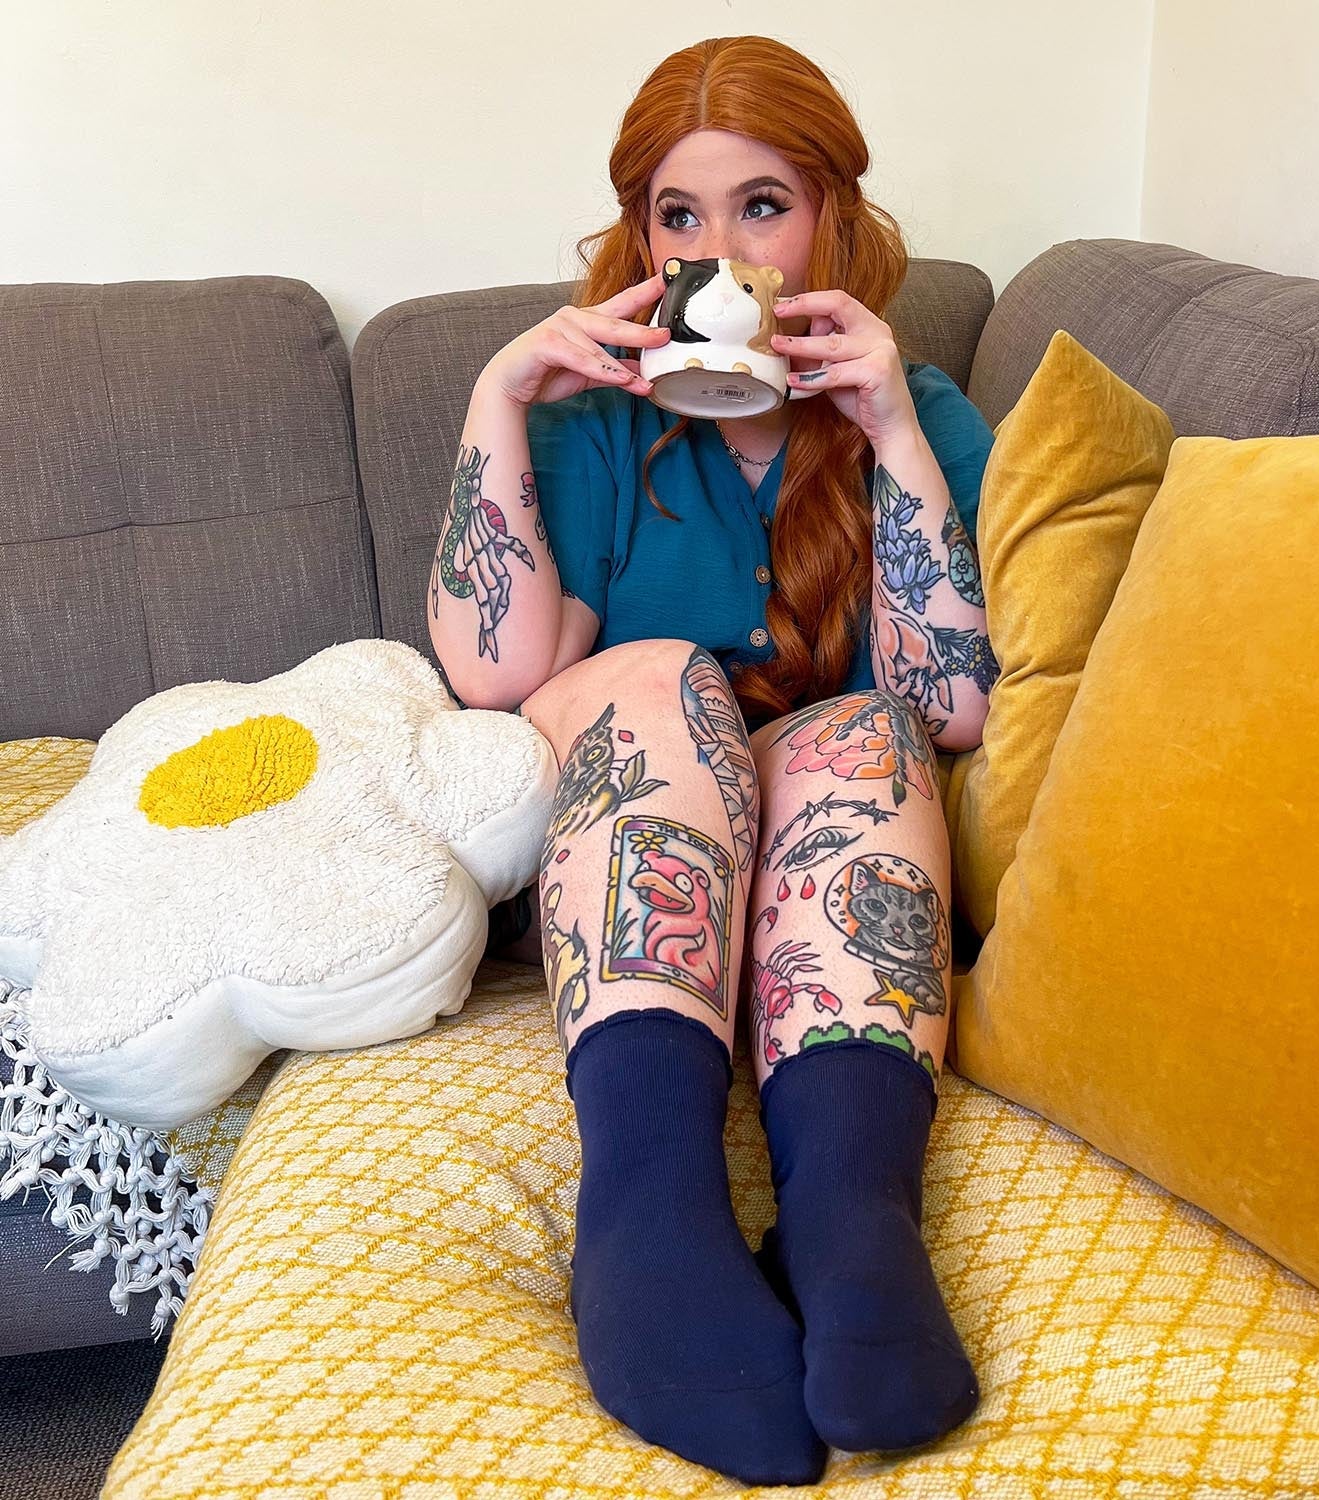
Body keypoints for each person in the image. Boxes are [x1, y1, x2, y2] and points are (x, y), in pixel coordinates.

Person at [428, 34, 998, 1487]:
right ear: (642, 239)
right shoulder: (592, 420)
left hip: (830, 854)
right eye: (679, 215)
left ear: (830, 220)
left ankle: (851, 1228)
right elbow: (496, 674)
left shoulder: (916, 407)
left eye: (763, 206)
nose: (719, 250)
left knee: (864, 732)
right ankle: (648, 1223)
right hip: (631, 830)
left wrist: (891, 432)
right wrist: (501, 397)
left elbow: (952, 707)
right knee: (664, 679)